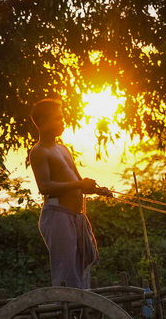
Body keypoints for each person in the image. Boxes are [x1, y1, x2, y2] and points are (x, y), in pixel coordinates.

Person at [29, 97, 111, 289]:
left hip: (76, 215)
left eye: (62, 117)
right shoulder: (39, 151)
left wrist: (96, 190)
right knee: (66, 270)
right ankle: (66, 312)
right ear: (42, 122)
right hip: (58, 215)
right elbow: (45, 186)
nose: (62, 122)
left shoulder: (63, 148)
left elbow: (78, 183)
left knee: (83, 265)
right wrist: (79, 184)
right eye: (57, 118)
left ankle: (81, 313)